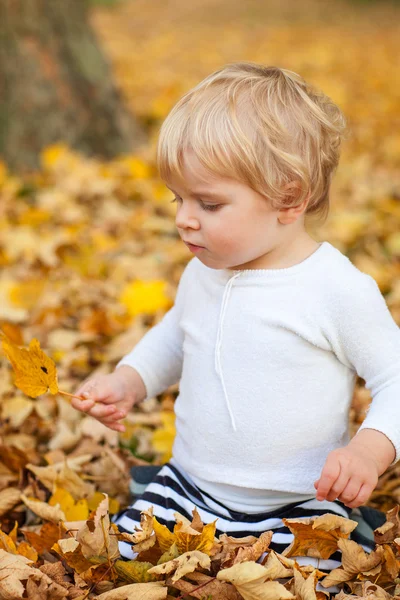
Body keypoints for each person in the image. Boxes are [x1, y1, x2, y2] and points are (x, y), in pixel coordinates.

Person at [72, 63, 397, 580]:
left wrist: (369, 450)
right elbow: (177, 335)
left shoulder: (334, 289)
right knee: (128, 560)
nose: (184, 218)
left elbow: (395, 377)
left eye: (209, 202)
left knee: (304, 577)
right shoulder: (204, 271)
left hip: (299, 499)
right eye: (179, 199)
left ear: (289, 198)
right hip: (191, 486)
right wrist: (127, 381)